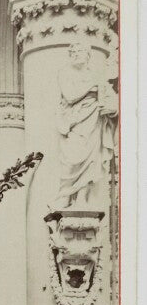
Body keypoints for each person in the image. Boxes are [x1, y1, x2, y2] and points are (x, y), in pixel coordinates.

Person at [56, 42, 118, 207]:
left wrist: (112, 109)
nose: (76, 54)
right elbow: (69, 96)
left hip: (93, 121)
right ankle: (64, 196)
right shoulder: (65, 73)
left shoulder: (96, 75)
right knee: (71, 158)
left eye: (80, 51)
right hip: (74, 121)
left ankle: (82, 198)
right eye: (73, 52)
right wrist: (90, 86)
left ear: (88, 55)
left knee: (91, 160)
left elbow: (111, 99)